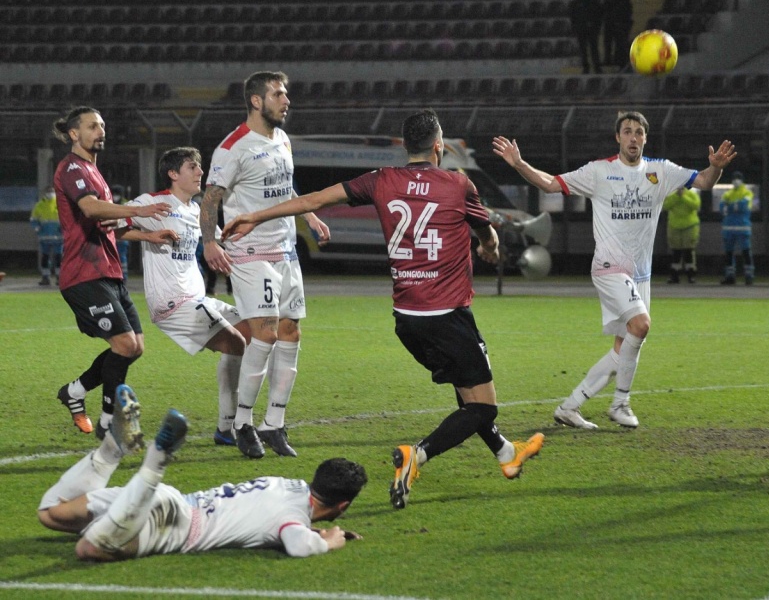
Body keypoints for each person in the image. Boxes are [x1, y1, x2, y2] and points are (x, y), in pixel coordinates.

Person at [223, 108, 546, 510]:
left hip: (407, 319)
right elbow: (488, 236)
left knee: (468, 391)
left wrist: (254, 215)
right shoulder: (459, 184)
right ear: (439, 146)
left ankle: (505, 453)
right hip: (447, 315)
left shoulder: (381, 180)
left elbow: (314, 199)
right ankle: (418, 455)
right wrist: (489, 249)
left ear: (406, 147)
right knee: (483, 406)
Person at [493, 112, 736, 429]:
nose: (633, 137)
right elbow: (551, 184)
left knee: (625, 348)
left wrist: (716, 166)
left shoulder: (660, 171)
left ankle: (570, 406)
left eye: (638, 132)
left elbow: (703, 181)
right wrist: (518, 164)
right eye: (627, 131)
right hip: (608, 267)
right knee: (642, 325)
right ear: (617, 138)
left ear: (645, 138)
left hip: (640, 275)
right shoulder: (599, 171)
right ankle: (621, 403)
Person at [38, 384, 367, 561]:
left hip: (174, 501)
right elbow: (298, 544)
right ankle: (155, 462)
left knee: (51, 514)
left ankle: (112, 451)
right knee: (88, 550)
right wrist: (329, 540)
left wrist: (313, 531)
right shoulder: (292, 518)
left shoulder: (287, 486)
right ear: (342, 506)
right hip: (173, 527)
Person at [200, 70, 330, 460]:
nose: (286, 100)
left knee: (290, 332)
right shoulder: (233, 147)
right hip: (250, 253)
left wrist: (308, 216)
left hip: (286, 250)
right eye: (278, 94)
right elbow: (211, 199)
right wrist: (210, 242)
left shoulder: (283, 139)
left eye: (285, 93)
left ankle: (274, 423)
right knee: (265, 334)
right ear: (256, 101)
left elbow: (280, 183)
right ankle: (242, 422)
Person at [115, 147, 249, 447]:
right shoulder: (154, 202)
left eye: (200, 167)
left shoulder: (195, 209)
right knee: (237, 343)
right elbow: (110, 227)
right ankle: (233, 426)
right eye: (193, 167)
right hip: (173, 302)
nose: (200, 172)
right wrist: (147, 235)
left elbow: (219, 242)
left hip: (197, 298)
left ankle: (227, 427)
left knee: (253, 332)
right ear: (174, 174)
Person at [51, 106, 172, 437]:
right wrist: (140, 209)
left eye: (102, 125)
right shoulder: (71, 168)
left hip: (109, 272)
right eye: (92, 126)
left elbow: (108, 224)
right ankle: (108, 422)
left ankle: (75, 391)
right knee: (123, 344)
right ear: (74, 134)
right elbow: (90, 209)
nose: (100, 131)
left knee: (136, 347)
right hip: (83, 274)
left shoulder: (94, 172)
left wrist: (148, 234)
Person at [720, 171, 754, 285]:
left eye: (738, 178)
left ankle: (749, 276)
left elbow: (743, 206)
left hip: (742, 228)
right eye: (734, 178)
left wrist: (730, 206)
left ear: (742, 180)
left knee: (746, 252)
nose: (736, 180)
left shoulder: (747, 193)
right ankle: (730, 276)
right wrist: (735, 206)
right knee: (729, 253)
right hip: (730, 229)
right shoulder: (728, 193)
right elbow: (721, 208)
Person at [662, 186, 701, 284]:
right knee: (676, 252)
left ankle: (691, 275)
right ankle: (674, 275)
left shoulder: (692, 194)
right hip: (674, 226)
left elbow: (696, 205)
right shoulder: (671, 194)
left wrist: (683, 197)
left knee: (689, 251)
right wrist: (676, 197)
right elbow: (665, 206)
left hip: (690, 226)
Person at [29, 185, 62, 286]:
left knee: (58, 258)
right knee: (45, 257)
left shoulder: (60, 204)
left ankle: (59, 278)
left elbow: (66, 219)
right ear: (45, 193)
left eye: (52, 192)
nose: (50, 194)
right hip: (45, 237)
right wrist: (36, 228)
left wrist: (63, 228)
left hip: (58, 237)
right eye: (49, 192)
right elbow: (33, 219)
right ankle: (45, 277)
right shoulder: (39, 205)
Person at [569, 0, 603, 74]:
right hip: (581, 29)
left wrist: (597, 27)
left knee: (594, 49)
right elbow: (573, 16)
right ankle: (586, 67)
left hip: (592, 29)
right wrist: (576, 27)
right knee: (583, 50)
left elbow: (599, 15)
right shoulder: (577, 2)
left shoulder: (594, 2)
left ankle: (597, 67)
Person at [601, 0, 633, 69]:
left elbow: (628, 12)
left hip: (621, 25)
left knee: (620, 44)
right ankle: (608, 60)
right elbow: (605, 10)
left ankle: (620, 61)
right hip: (610, 24)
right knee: (608, 43)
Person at [110, 185, 131, 276]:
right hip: (112, 235)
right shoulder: (109, 202)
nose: (115, 196)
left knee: (122, 258)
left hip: (122, 236)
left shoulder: (125, 204)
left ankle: (123, 276)